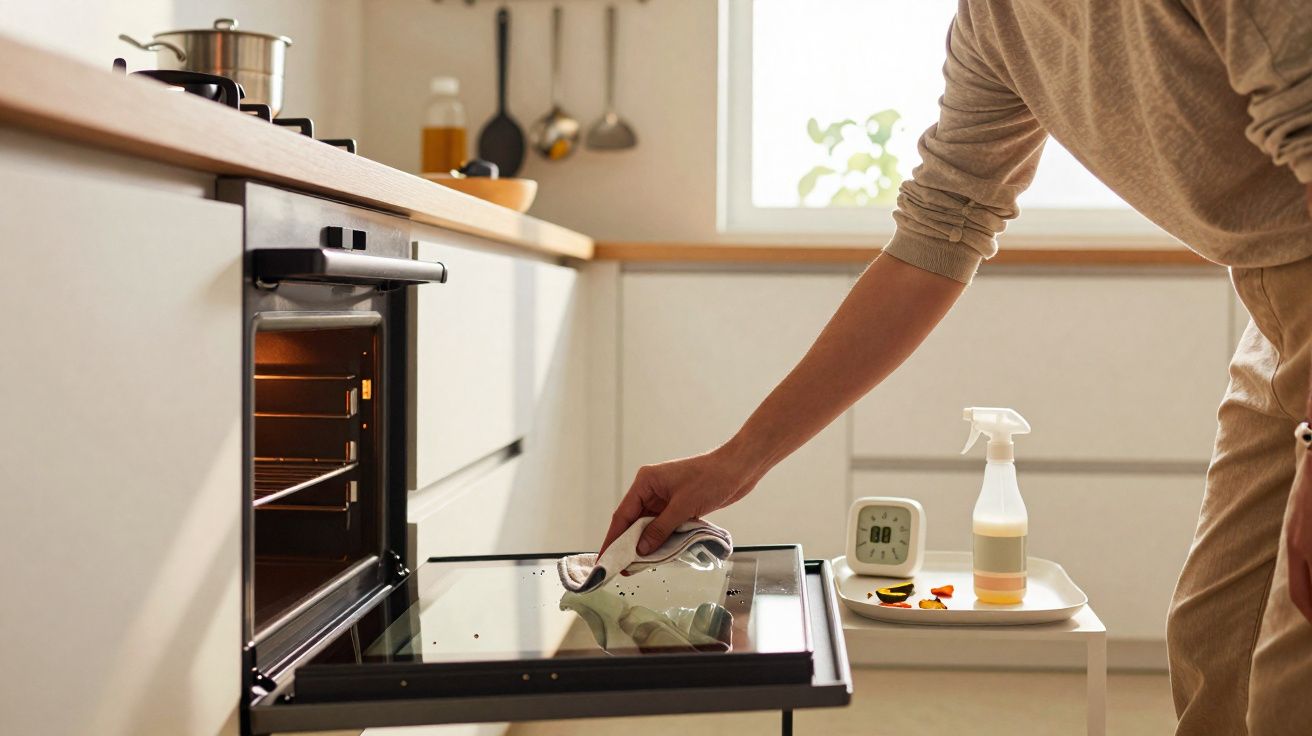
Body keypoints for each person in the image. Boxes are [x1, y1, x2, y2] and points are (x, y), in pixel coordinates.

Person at [600, 2, 1312, 733]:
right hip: (1270, 311)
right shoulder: (996, 23)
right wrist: (735, 461)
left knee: (1296, 669)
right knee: (1214, 644)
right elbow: (939, 230)